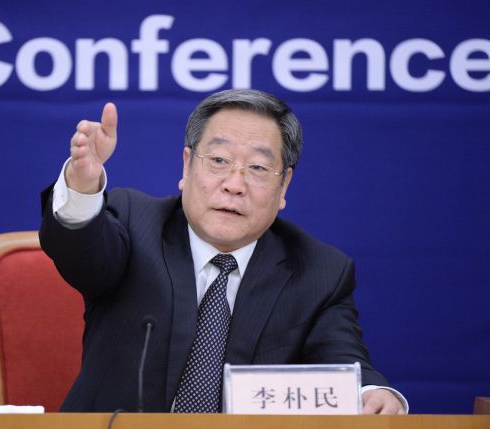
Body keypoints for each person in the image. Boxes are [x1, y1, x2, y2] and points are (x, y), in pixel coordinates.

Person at [39, 89, 407, 414]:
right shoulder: (136, 224)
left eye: (258, 168)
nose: (234, 184)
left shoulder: (318, 272)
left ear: (284, 186)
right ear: (187, 165)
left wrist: (372, 394)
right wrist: (82, 186)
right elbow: (81, 254)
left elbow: (345, 360)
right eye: (218, 161)